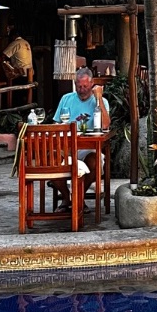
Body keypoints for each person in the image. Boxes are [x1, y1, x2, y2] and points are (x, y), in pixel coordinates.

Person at [49, 68, 111, 211]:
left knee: (95, 161)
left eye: (85, 86)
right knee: (50, 160)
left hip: (88, 148)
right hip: (67, 147)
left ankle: (78, 197)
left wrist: (99, 99)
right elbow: (56, 123)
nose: (82, 90)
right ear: (74, 84)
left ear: (92, 84)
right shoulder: (66, 99)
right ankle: (68, 198)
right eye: (79, 86)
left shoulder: (101, 101)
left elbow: (105, 125)